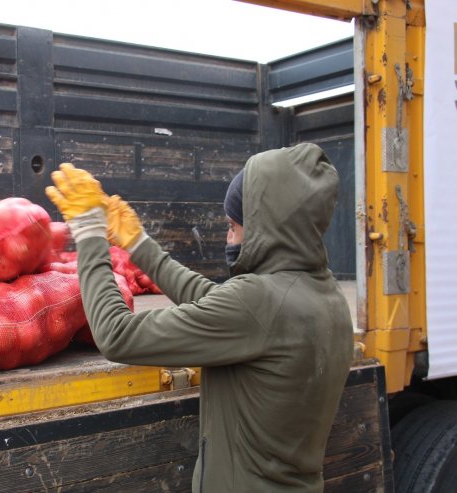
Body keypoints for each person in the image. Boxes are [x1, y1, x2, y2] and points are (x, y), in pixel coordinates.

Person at [45, 142, 354, 493]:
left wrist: (89, 231)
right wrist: (138, 243)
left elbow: (117, 334)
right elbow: (216, 302)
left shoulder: (258, 303)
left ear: (268, 226)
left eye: (233, 226)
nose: (228, 236)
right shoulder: (326, 295)